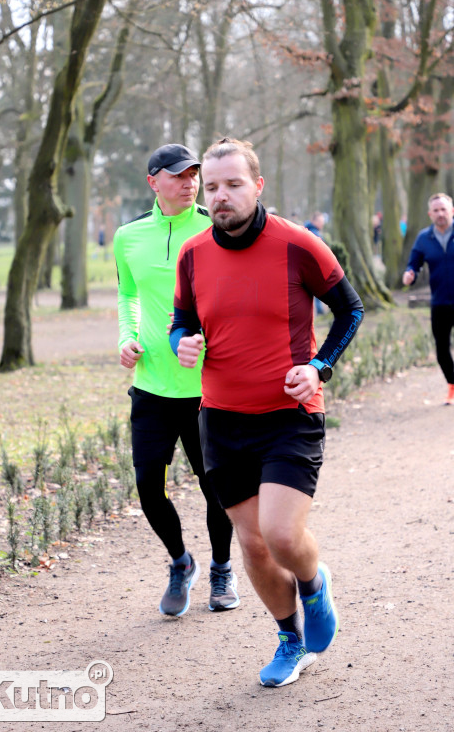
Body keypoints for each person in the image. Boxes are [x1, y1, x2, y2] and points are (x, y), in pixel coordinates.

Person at [170, 137, 364, 687]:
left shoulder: (298, 244)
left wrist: (319, 366)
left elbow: (350, 308)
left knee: (281, 535)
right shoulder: (193, 255)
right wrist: (182, 342)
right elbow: (182, 323)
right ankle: (290, 637)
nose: (222, 196)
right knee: (252, 545)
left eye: (233, 184)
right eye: (212, 187)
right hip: (222, 420)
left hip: (289, 412)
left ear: (257, 186)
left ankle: (313, 582)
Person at [113, 143, 239, 618]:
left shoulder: (215, 228)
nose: (189, 182)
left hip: (208, 389)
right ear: (153, 182)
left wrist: (207, 339)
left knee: (216, 489)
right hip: (151, 387)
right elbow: (128, 294)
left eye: (194, 175)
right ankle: (180, 562)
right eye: (178, 175)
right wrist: (127, 337)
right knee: (148, 488)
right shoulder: (128, 237)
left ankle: (222, 569)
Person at [402, 192, 454, 405]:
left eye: (444, 209)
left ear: (452, 211)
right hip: (440, 302)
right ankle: (452, 386)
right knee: (442, 349)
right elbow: (414, 263)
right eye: (436, 210)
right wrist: (409, 274)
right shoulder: (424, 238)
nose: (440, 214)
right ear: (429, 214)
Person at [305, 212, 327, 314]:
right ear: (314, 221)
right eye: (320, 221)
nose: (322, 224)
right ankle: (319, 310)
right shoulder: (315, 233)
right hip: (313, 265)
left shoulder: (306, 230)